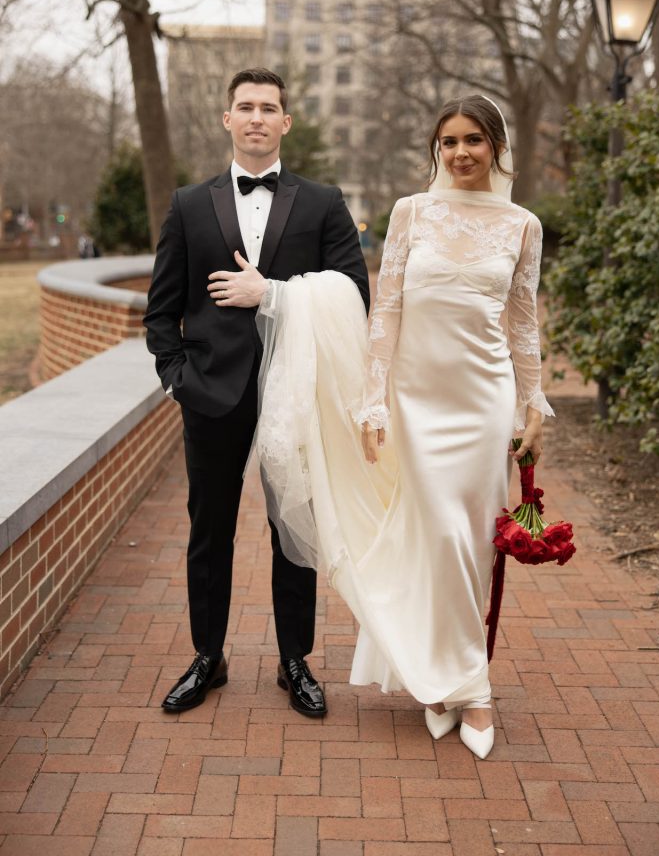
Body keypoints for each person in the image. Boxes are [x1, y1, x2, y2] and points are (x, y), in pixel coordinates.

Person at [249, 94, 553, 760]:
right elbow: (384, 310)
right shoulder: (411, 213)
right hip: (415, 400)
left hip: (482, 399)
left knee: (469, 541)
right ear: (435, 150)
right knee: (429, 532)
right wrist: (373, 402)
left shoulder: (521, 225)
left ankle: (467, 686)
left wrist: (533, 403)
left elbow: (523, 321)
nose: (461, 152)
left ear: (496, 146)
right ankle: (438, 677)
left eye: (474, 139)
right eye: (448, 142)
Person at [143, 67, 370, 716]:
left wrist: (268, 295)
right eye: (245, 107)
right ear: (226, 119)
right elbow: (161, 310)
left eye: (269, 108)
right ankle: (207, 658)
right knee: (208, 531)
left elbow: (355, 296)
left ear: (285, 122)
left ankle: (294, 661)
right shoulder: (189, 203)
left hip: (294, 392)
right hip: (210, 392)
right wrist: (175, 379)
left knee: (291, 527)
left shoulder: (323, 202)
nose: (256, 118)